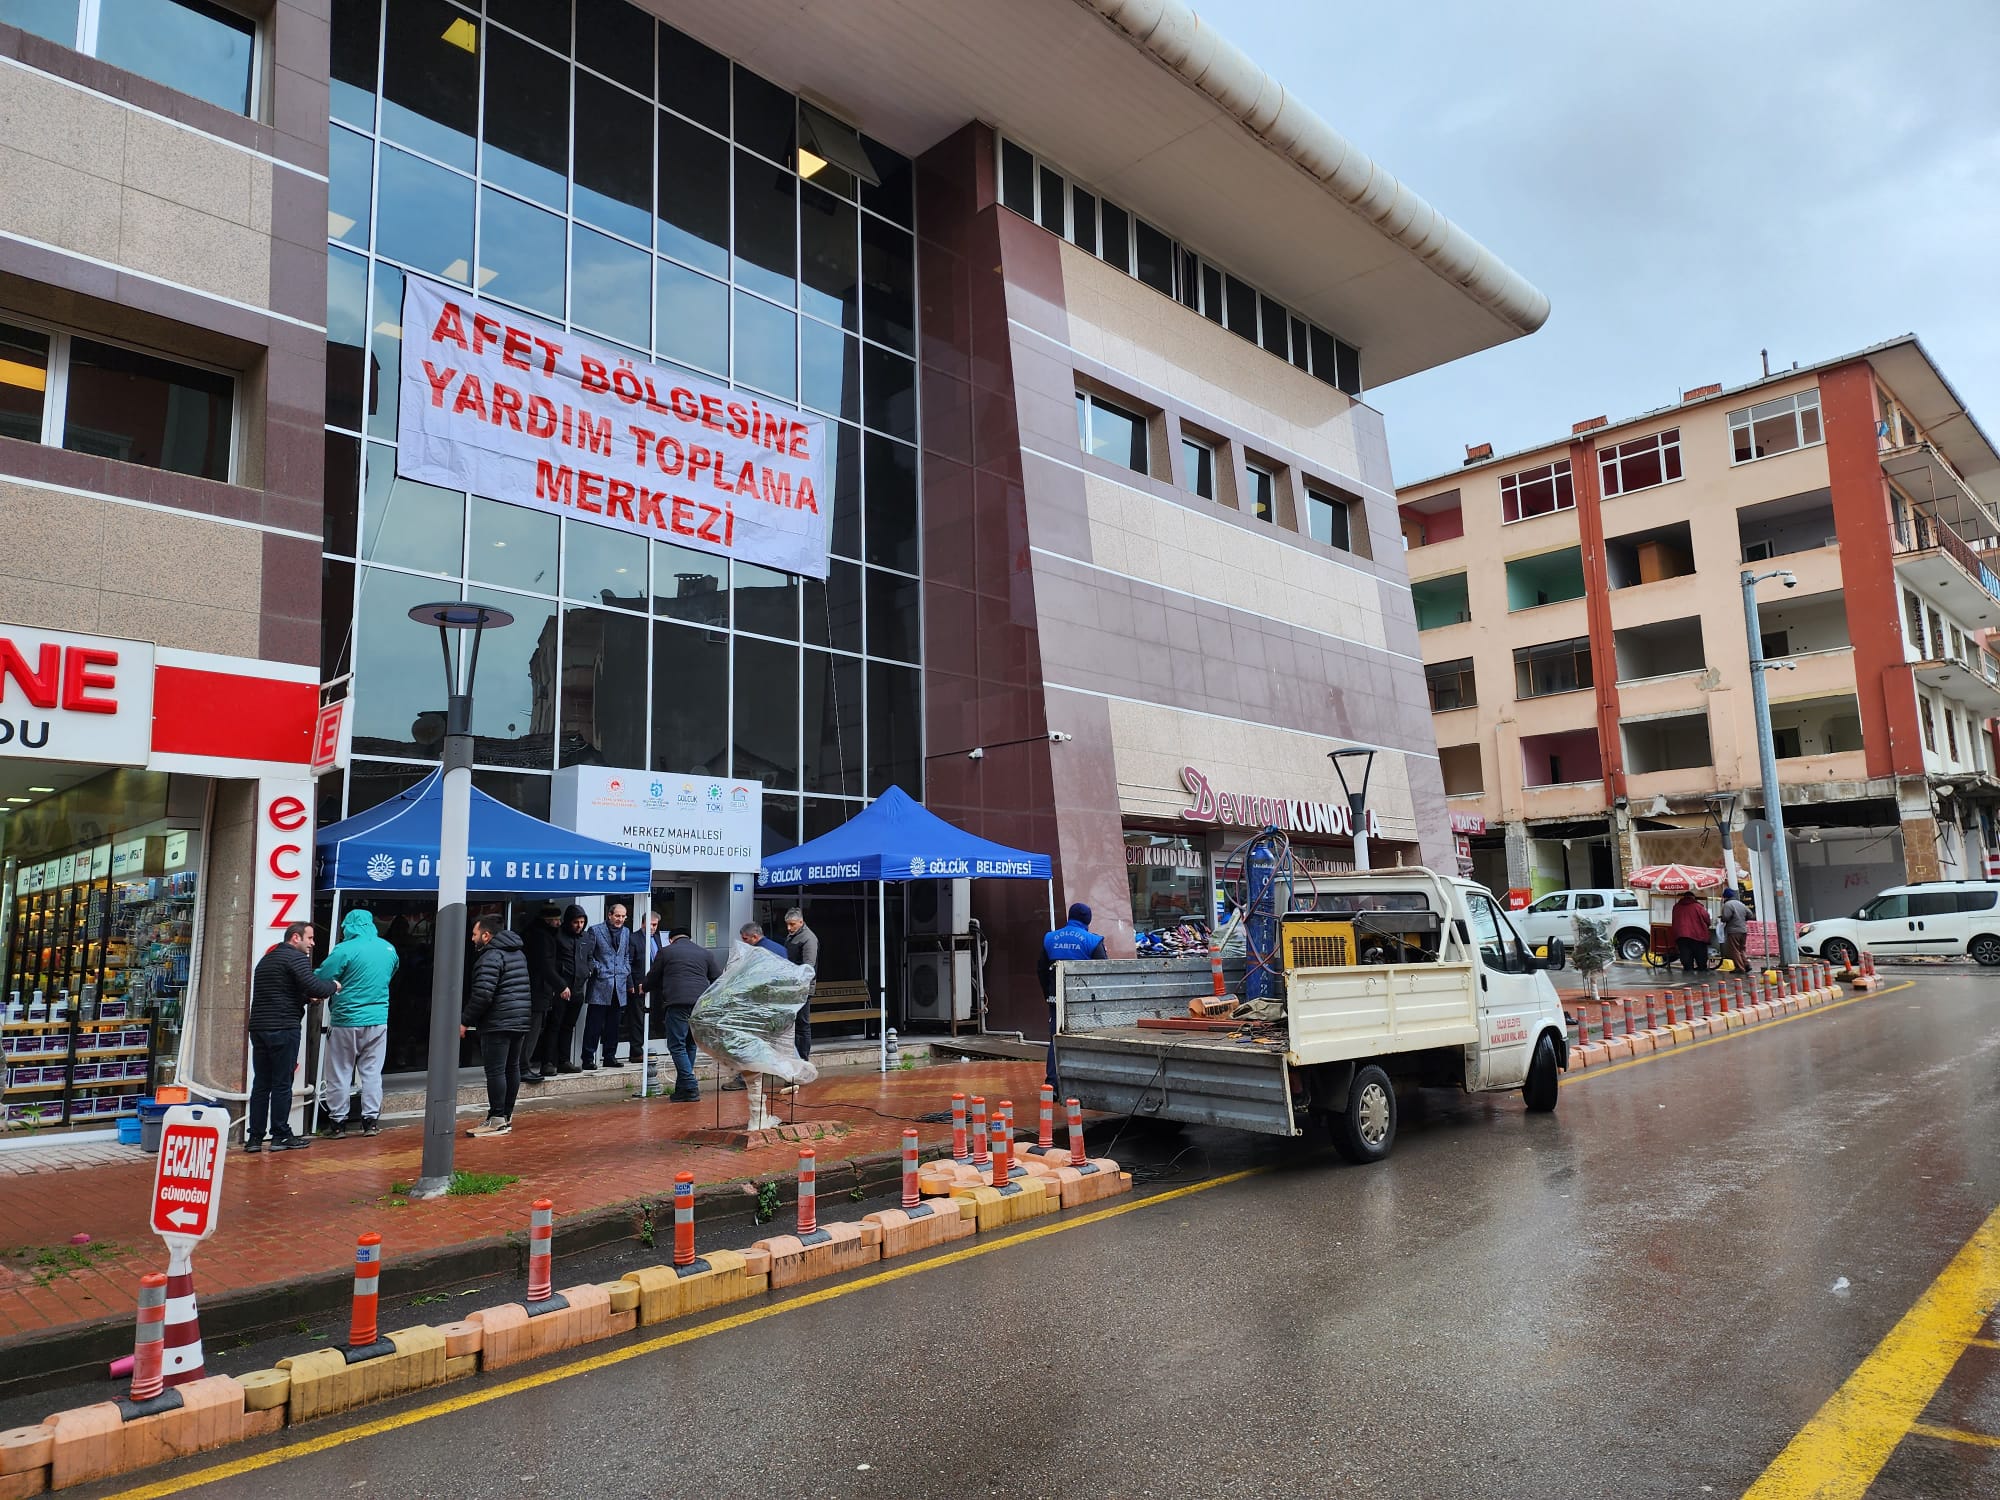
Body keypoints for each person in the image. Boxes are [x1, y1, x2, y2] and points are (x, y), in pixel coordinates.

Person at [246, 921, 337, 1153]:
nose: (312, 943)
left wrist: (307, 999)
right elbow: (315, 985)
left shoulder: (268, 959)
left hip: (259, 1028)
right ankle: (280, 1135)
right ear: (295, 938)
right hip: (283, 1028)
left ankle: (254, 1138)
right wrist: (333, 986)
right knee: (281, 1084)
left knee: (261, 1084)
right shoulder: (296, 958)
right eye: (310, 938)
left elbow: (282, 990)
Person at [313, 908, 398, 1138]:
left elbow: (321, 977)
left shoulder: (345, 949)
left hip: (346, 1020)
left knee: (340, 1071)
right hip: (378, 1019)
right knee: (371, 1071)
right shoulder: (388, 949)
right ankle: (370, 1121)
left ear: (348, 927)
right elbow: (390, 974)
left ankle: (338, 1122)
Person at [462, 916, 531, 1137]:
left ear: (486, 935)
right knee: (512, 1068)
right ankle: (506, 1116)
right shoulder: (517, 953)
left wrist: (465, 1020)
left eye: (474, 934)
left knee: (496, 1071)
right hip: (519, 1020)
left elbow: (483, 994)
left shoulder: (490, 957)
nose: (472, 939)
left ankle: (497, 1118)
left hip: (498, 1022)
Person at [645, 929, 724, 1101]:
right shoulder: (705, 953)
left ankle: (690, 1085)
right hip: (699, 1005)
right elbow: (718, 978)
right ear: (689, 938)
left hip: (677, 1003)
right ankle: (683, 1090)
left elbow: (653, 977)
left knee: (676, 1045)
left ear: (671, 939)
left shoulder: (665, 952)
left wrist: (643, 987)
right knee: (690, 1045)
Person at [1041, 902, 1109, 1088]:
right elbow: (1103, 973)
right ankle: (1083, 1084)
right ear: (1088, 919)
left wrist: (1048, 995)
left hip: (1057, 998)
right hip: (1083, 1002)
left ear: (1069, 916)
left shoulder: (1050, 938)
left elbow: (1041, 969)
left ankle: (1052, 1086)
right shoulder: (1093, 941)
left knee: (1056, 1038)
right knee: (1086, 1039)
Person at [580, 902, 635, 1069]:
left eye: (623, 916)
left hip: (619, 985)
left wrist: (626, 969)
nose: (620, 919)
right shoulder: (595, 930)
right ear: (609, 915)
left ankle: (610, 1056)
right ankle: (588, 1058)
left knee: (614, 1025)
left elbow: (626, 955)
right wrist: (599, 969)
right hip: (600, 984)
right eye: (617, 916)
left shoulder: (626, 932)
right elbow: (589, 955)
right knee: (594, 1024)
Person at [783, 907, 820, 1067]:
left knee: (802, 1024)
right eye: (787, 924)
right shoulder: (794, 935)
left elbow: (808, 967)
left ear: (801, 922)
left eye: (792, 924)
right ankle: (795, 1057)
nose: (789, 928)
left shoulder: (808, 939)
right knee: (794, 1024)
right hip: (793, 987)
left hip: (803, 988)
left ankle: (803, 1060)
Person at [1672, 892, 1713, 973]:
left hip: (1681, 935)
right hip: (1697, 934)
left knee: (1685, 953)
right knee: (1700, 954)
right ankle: (1701, 968)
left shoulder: (1676, 906)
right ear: (1693, 897)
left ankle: (1688, 968)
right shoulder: (1698, 907)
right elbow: (1707, 919)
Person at [1719, 887, 1751, 973]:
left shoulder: (1728, 905)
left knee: (1734, 950)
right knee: (1742, 949)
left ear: (1725, 896)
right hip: (1743, 930)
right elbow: (1750, 915)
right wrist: (1741, 919)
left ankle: (1740, 968)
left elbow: (1726, 917)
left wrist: (1722, 918)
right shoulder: (1741, 904)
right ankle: (1746, 964)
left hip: (1733, 931)